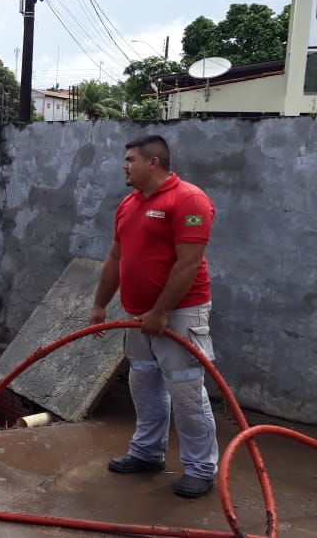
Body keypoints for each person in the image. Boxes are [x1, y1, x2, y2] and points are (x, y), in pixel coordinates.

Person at [89, 134, 218, 499]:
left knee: (186, 390)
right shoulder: (130, 204)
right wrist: (100, 305)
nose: (124, 165)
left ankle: (200, 469)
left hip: (179, 312)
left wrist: (161, 312)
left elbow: (189, 263)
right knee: (144, 384)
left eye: (131, 159)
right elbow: (116, 258)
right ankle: (147, 453)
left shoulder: (189, 200)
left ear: (154, 163)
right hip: (138, 316)